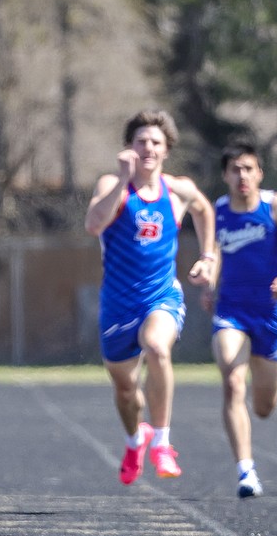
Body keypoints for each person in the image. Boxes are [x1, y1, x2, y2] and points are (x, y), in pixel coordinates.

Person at [84, 109, 215, 485]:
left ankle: (162, 441)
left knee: (158, 348)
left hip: (161, 296)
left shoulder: (178, 190)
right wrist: (124, 179)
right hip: (117, 305)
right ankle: (134, 438)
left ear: (167, 149)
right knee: (127, 391)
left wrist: (208, 257)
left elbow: (204, 211)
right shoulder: (113, 184)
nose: (148, 148)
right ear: (129, 147)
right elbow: (94, 225)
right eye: (141, 141)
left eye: (156, 142)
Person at [204, 140, 277, 498]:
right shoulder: (217, 212)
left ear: (260, 173)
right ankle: (246, 471)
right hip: (232, 310)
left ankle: (264, 376)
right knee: (233, 383)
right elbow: (214, 254)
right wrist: (208, 282)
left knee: (264, 407)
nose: (242, 176)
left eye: (249, 168)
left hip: (272, 313)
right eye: (235, 169)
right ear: (225, 175)